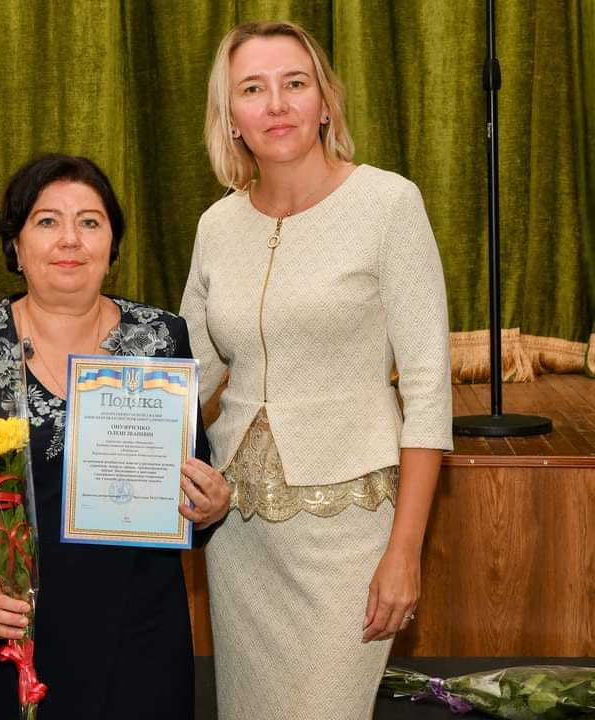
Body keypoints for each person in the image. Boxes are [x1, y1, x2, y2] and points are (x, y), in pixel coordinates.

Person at [180, 20, 453, 720]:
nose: (276, 104)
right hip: (240, 534)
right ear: (230, 116)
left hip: (352, 529)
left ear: (325, 102)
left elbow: (429, 391)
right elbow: (186, 377)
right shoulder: (216, 226)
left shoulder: (389, 204)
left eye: (294, 83)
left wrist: (406, 552)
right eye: (252, 89)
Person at [0, 154, 230, 719]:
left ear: (112, 243)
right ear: (17, 245)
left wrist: (210, 505)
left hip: (138, 631)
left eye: (90, 222)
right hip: (11, 629)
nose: (70, 239)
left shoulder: (160, 338)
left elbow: (188, 487)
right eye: (47, 221)